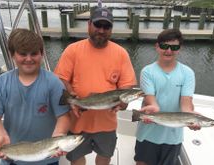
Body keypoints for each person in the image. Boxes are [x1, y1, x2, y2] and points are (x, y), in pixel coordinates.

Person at [54, 7, 137, 165]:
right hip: (77, 121)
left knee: (105, 156)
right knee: (77, 158)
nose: (101, 30)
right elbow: (61, 79)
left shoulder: (121, 53)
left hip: (107, 123)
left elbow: (127, 88)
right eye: (98, 25)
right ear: (89, 24)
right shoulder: (72, 50)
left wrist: (124, 103)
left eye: (106, 27)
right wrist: (71, 98)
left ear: (111, 29)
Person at [0, 28, 71, 165]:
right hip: (11, 157)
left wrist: (59, 134)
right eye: (23, 54)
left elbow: (64, 116)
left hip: (47, 158)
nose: (29, 59)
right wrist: (0, 133)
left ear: (42, 54)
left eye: (34, 53)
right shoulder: (1, 82)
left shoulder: (54, 82)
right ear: (12, 54)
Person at [134, 29, 200, 165]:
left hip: (173, 136)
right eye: (164, 46)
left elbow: (186, 103)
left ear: (179, 49)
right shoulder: (147, 71)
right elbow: (150, 99)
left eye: (174, 47)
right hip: (147, 132)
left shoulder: (188, 73)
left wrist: (191, 117)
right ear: (157, 46)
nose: (168, 51)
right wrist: (152, 108)